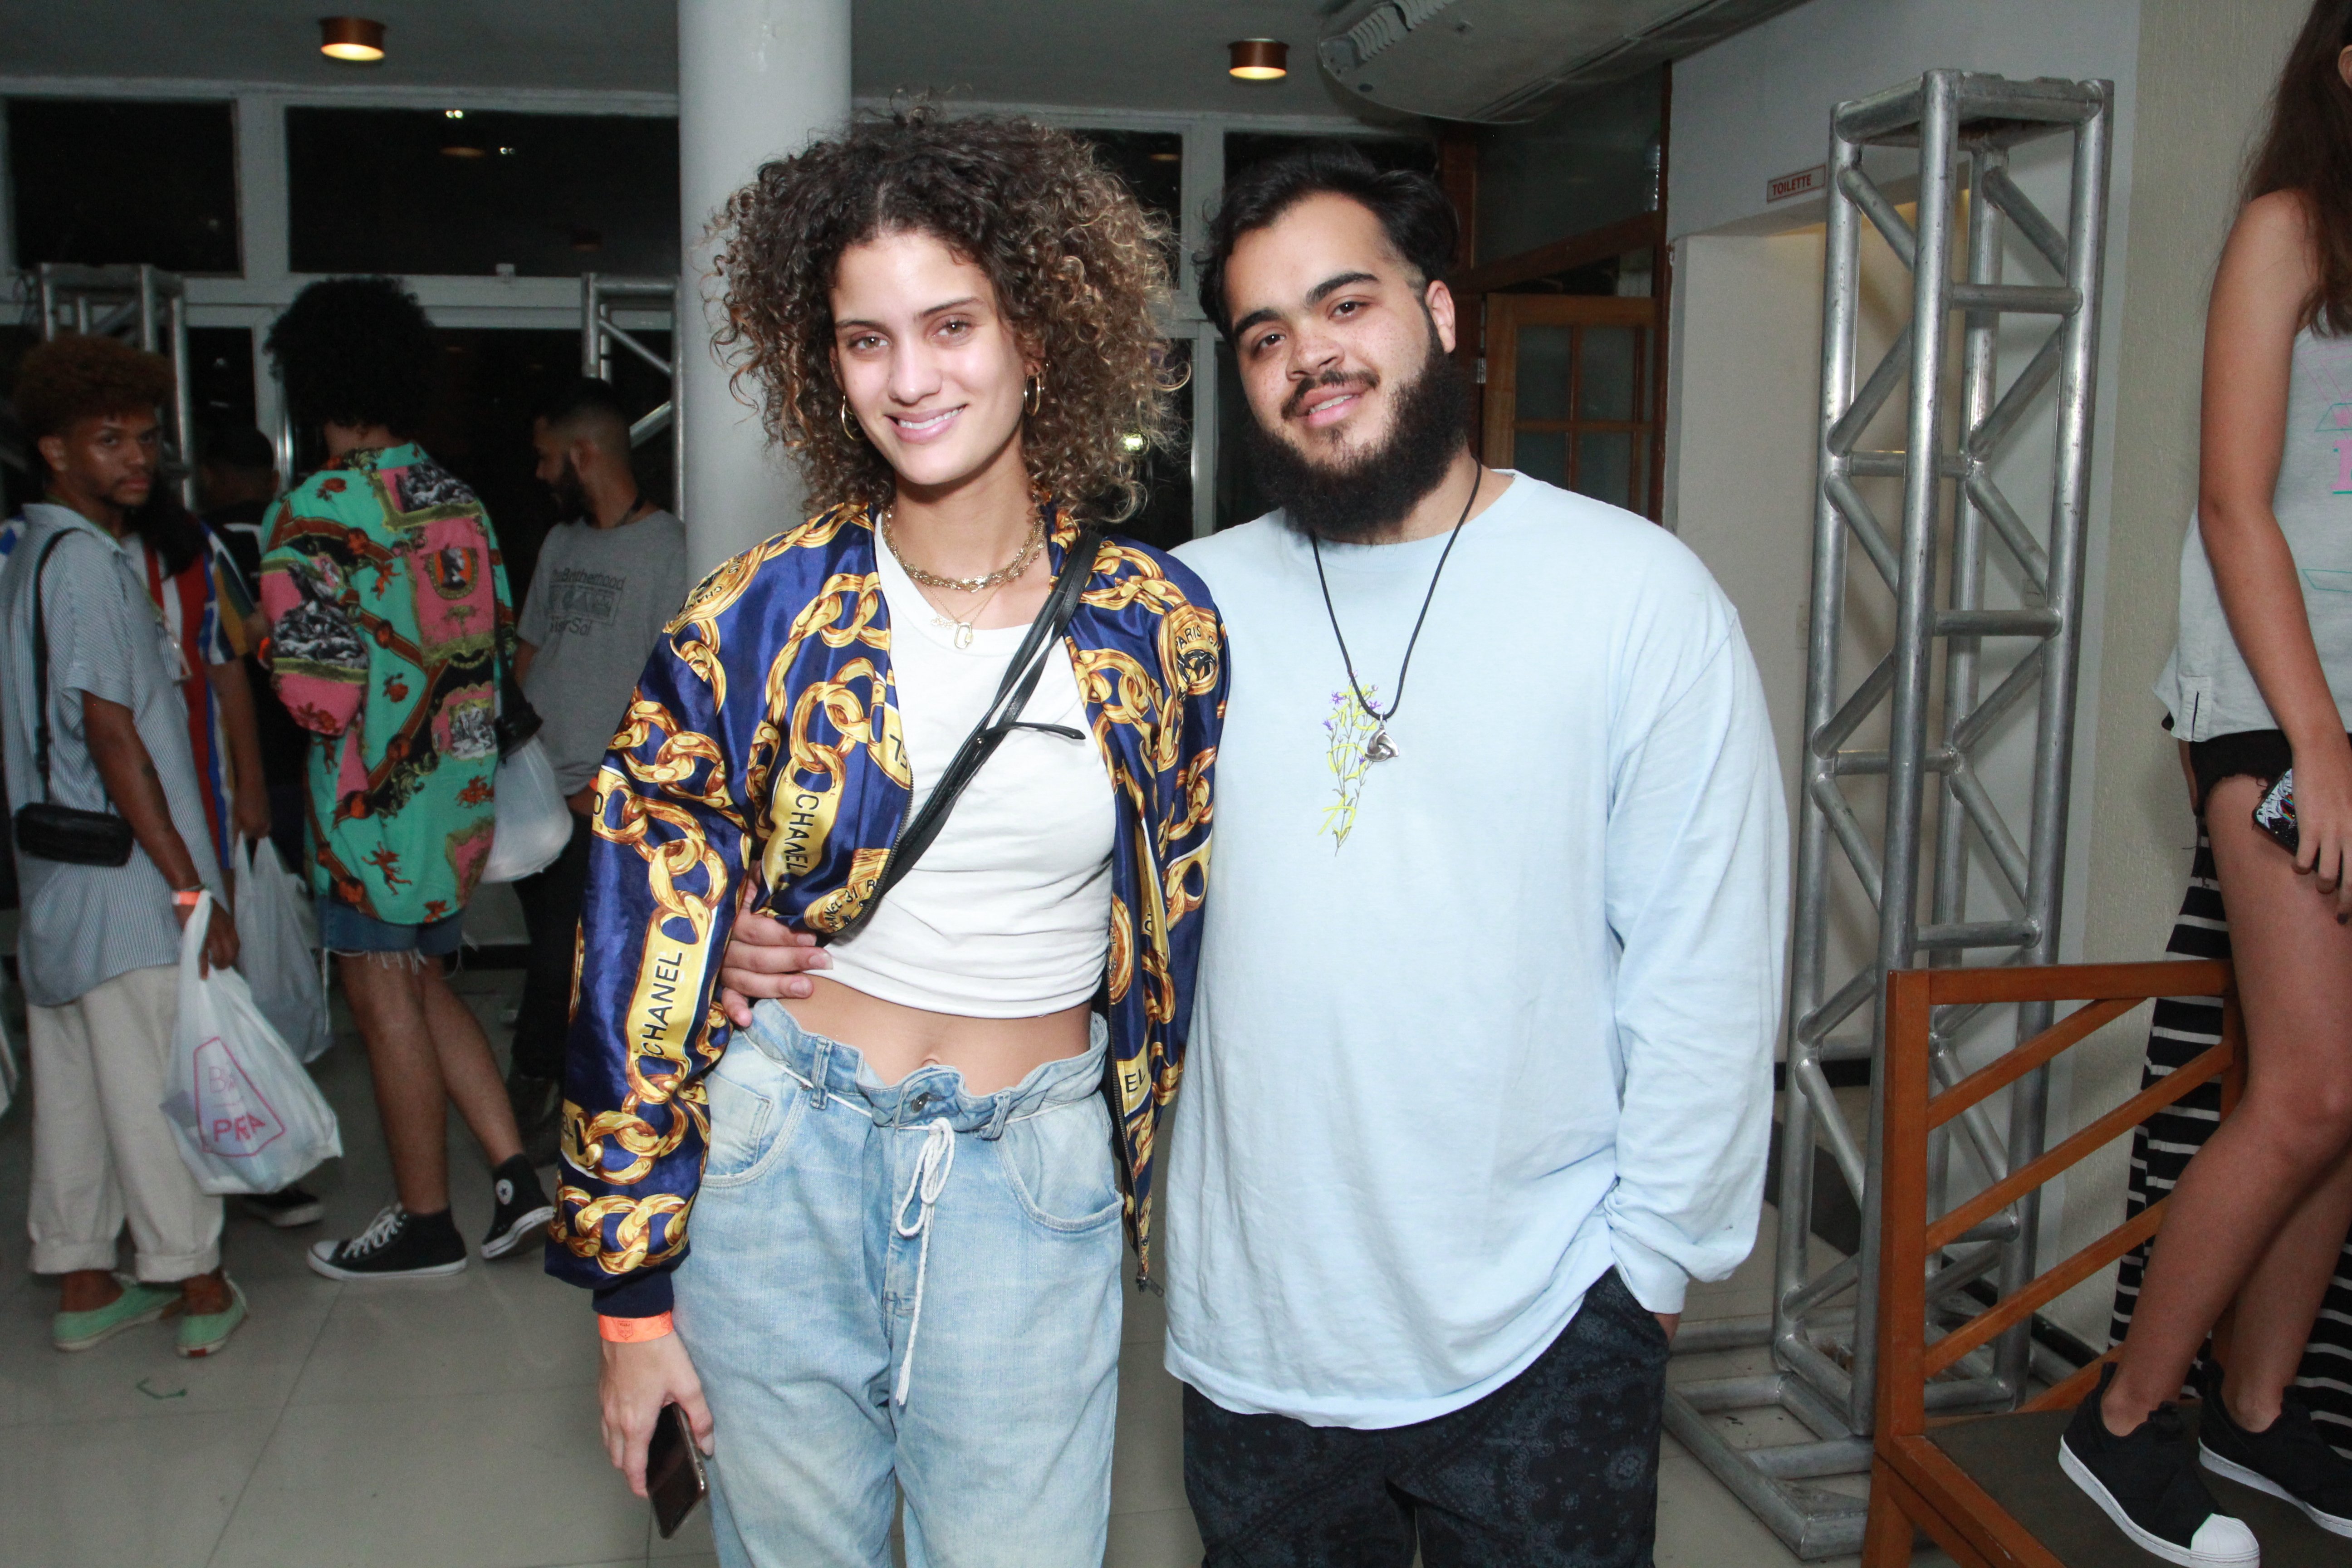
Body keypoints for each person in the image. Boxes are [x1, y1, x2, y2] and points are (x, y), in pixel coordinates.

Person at [720, 144, 1789, 1566]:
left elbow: (1707, 968)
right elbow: (1012, 857)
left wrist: (1649, 1272)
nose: (1310, 359)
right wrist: (760, 935)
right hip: (1258, 1339)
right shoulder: (1178, 612)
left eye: (1347, 306)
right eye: (1266, 335)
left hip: (1546, 1320)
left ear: (1440, 313)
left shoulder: (1636, 596)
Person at [550, 110, 1222, 1568]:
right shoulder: (758, 616)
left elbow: (1184, 926)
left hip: (1030, 1174)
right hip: (779, 1156)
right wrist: (630, 1300)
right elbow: (635, 949)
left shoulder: (1156, 628)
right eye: (867, 340)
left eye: (951, 324)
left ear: (1037, 332)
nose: (910, 379)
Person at [2065, 3, 2352, 1558]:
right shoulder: (2287, 229)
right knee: (2306, 1088)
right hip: (2272, 706)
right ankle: (2120, 1418)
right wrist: (2316, 741)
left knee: (2347, 1099)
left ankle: (2255, 1404)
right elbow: (2234, 506)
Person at [257, 276, 554, 1280]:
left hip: (368, 809)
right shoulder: (456, 500)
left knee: (384, 999)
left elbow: (319, 701)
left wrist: (264, 642)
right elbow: (497, 643)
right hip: (457, 799)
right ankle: (514, 1179)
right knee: (425, 981)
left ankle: (426, 1222)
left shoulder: (311, 512)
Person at [2, 334, 248, 1357]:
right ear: (54, 450)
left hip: (56, 881)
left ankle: (83, 1281)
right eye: (109, 440)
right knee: (155, 1086)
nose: (138, 458)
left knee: (73, 1093)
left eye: (146, 437)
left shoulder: (30, 556)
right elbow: (113, 735)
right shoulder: (88, 569)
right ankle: (196, 1281)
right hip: (128, 884)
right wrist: (191, 886)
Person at [502, 377, 690, 1167]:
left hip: (601, 796)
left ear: (584, 454)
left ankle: (529, 1097)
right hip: (532, 787)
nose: (541, 474)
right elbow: (530, 651)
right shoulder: (561, 543)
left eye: (548, 458)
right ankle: (546, 1095)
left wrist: (615, 788)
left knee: (565, 960)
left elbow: (678, 689)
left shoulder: (672, 548)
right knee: (553, 958)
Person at [198, 427, 310, 877]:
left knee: (252, 896)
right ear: (273, 480)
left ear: (210, 477)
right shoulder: (304, 536)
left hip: (239, 761)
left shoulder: (199, 546)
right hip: (310, 749)